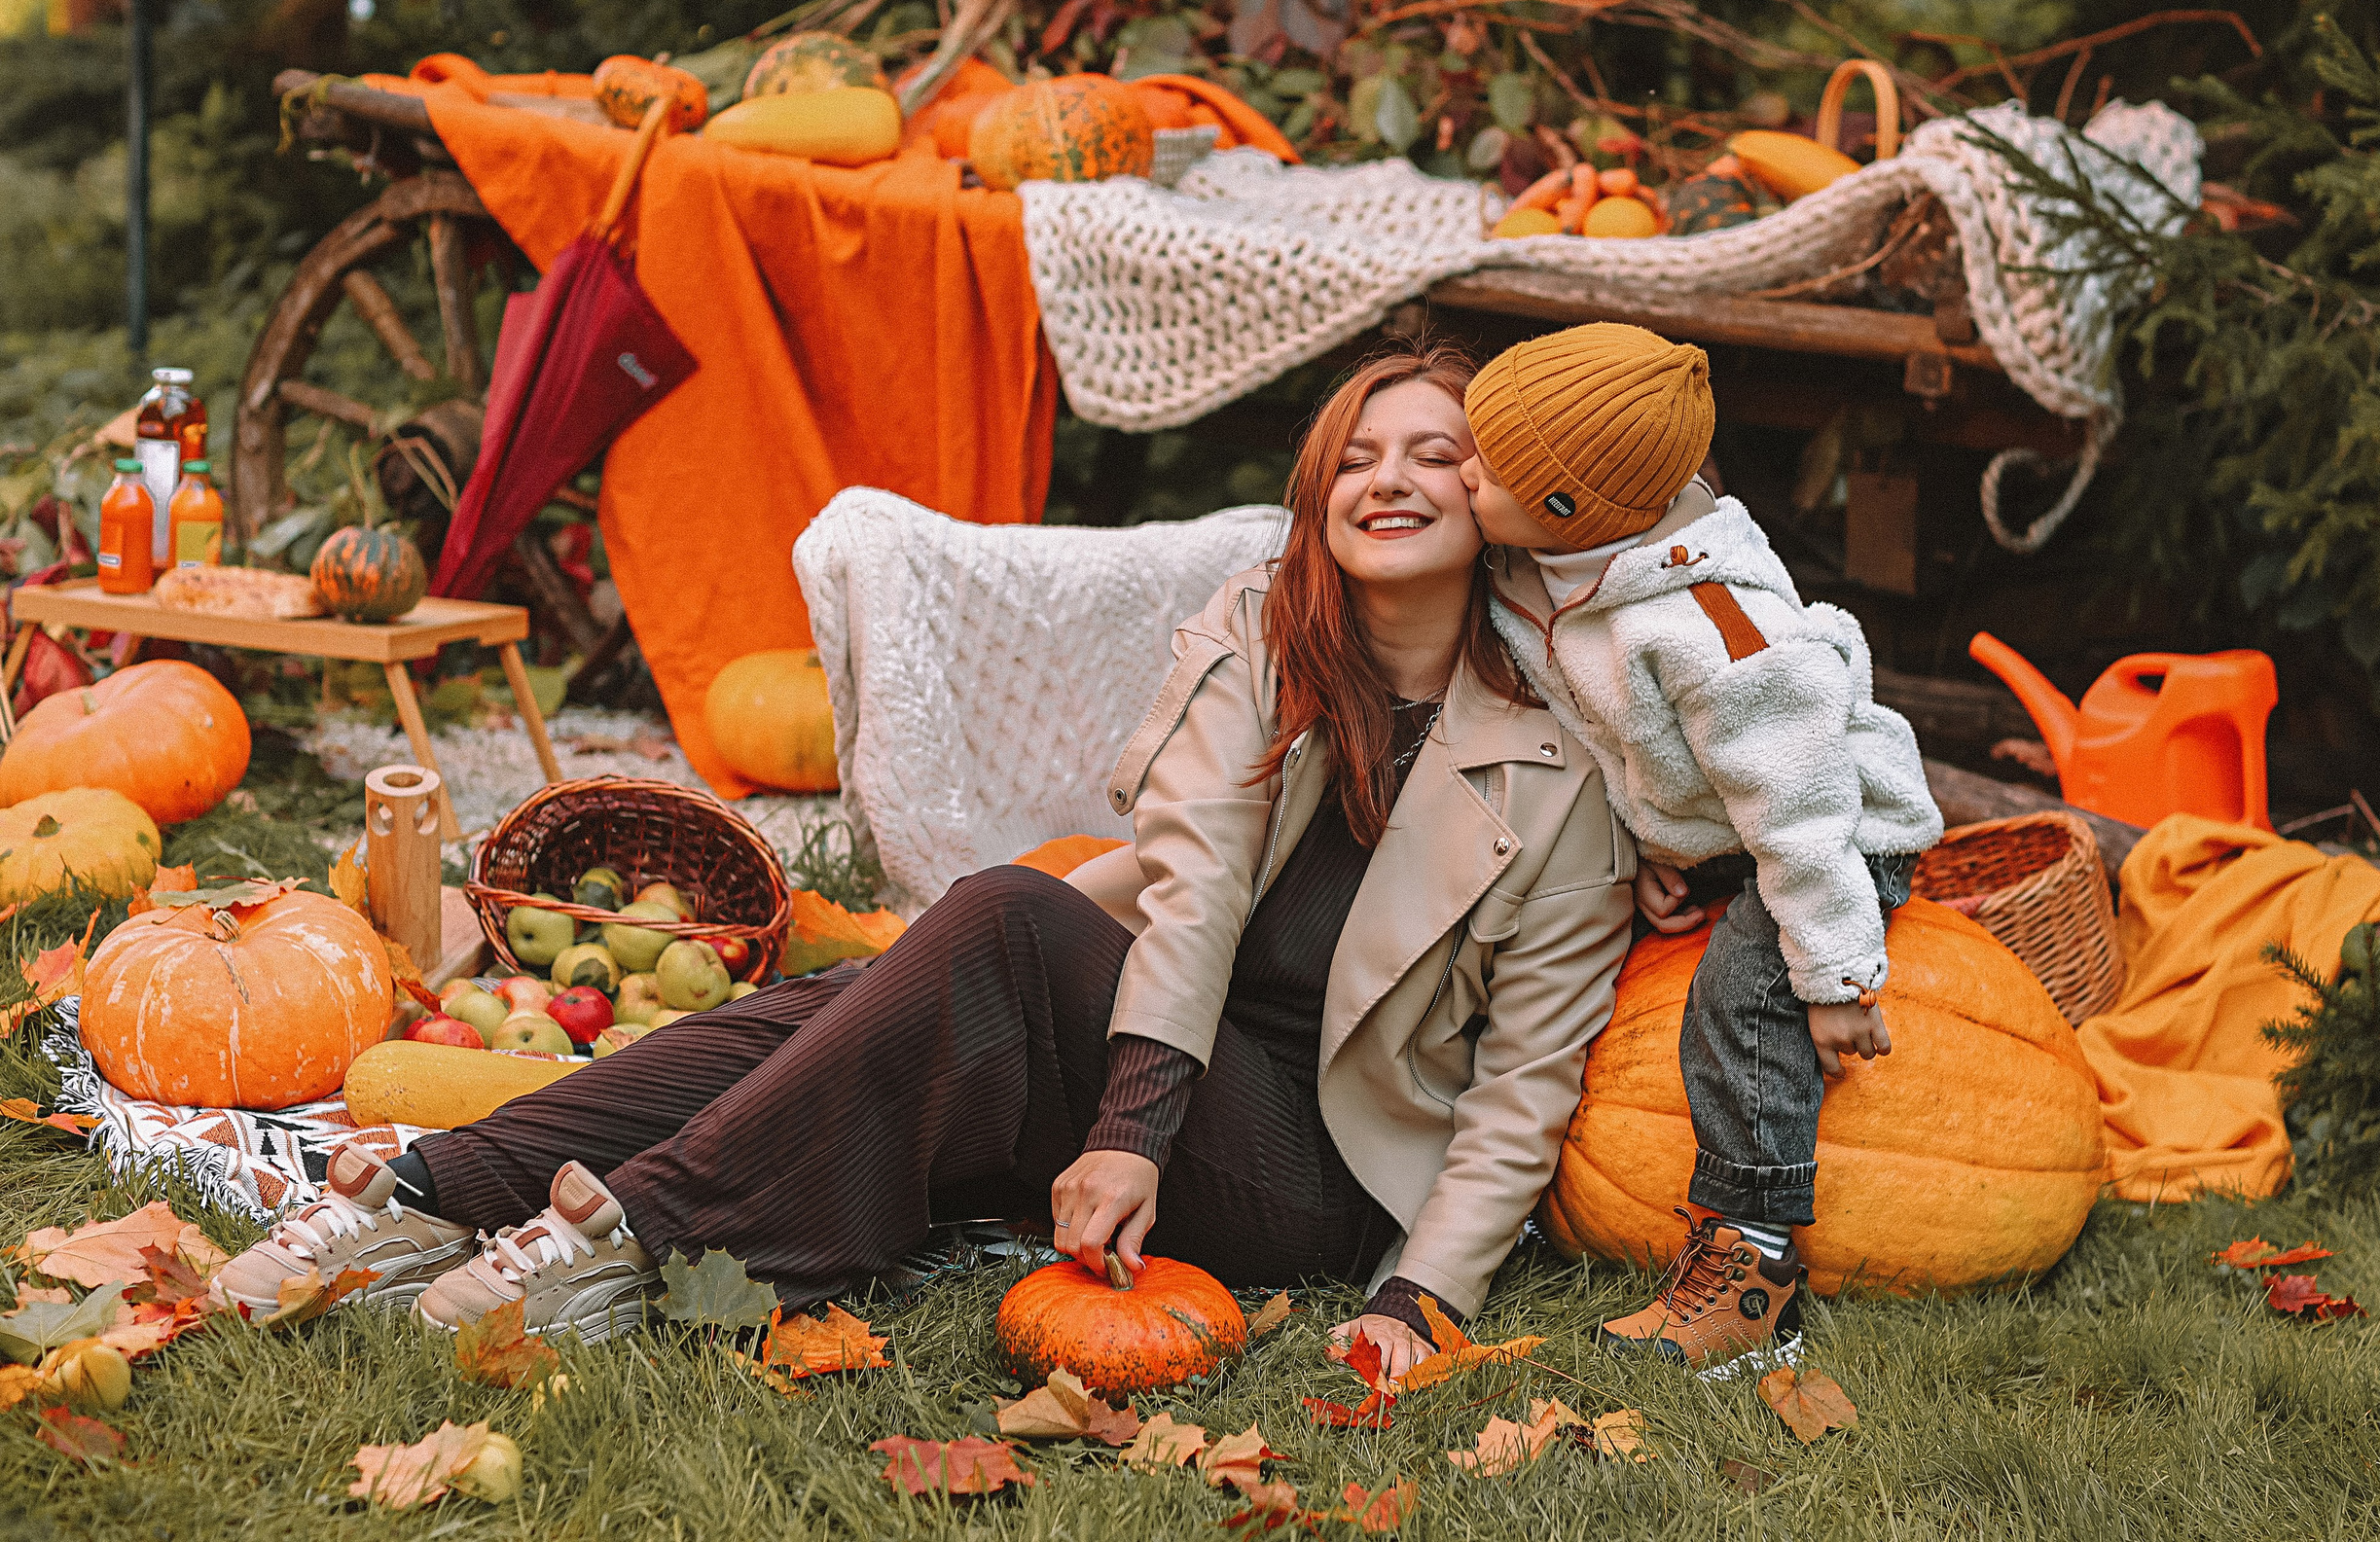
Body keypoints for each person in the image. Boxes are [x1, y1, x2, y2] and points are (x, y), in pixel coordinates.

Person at [211, 341, 1635, 1380]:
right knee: (858, 994)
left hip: (1308, 1165)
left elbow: (1525, 1082)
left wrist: (1420, 1296)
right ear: (1320, 494)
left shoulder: (1562, 757)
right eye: (1358, 454)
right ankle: (425, 1193)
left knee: (1003, 913)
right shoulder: (1261, 641)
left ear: (1503, 499)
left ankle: (634, 1237)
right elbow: (1194, 895)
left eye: (1434, 451)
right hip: (1149, 1053)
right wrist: (1132, 1121)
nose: (1390, 477)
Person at [1456, 321, 1943, 1376]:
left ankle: (1753, 1264)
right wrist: (1658, 841)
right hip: (1734, 829)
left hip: (1835, 837)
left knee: (1739, 993)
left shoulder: (1717, 627)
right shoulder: (1553, 566)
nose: (1458, 474)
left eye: (1480, 467)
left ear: (1563, 509)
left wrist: (1834, 975)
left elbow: (1799, 805)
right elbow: (1606, 728)